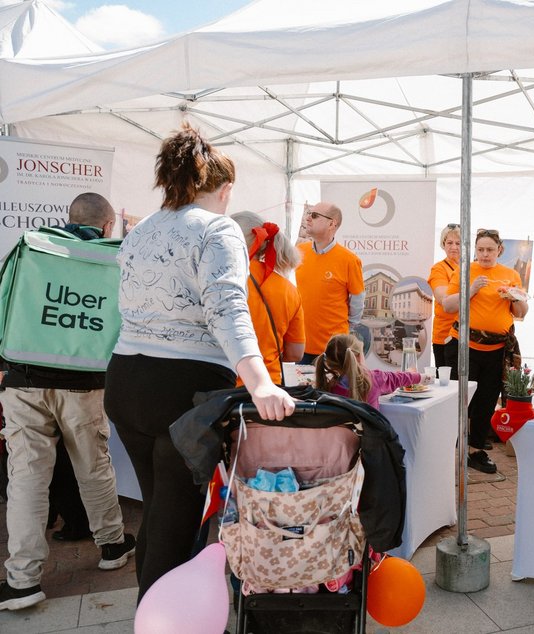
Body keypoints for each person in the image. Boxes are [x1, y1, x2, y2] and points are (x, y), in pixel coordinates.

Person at [104, 124, 295, 602]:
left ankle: (157, 609)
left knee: (160, 510)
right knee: (175, 520)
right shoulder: (218, 228)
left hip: (127, 379)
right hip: (182, 391)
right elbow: (227, 307)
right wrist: (261, 383)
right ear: (225, 188)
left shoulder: (143, 227)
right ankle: (162, 619)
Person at [0, 193, 134, 612]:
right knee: (93, 468)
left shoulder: (34, 247)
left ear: (69, 218)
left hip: (24, 379)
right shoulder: (116, 259)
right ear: (108, 226)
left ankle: (22, 581)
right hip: (86, 383)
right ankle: (112, 547)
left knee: (26, 479)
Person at [442, 228, 528, 474]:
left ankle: (475, 451)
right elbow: (448, 306)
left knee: (486, 402)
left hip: (497, 349)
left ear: (499, 250)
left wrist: (514, 297)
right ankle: (451, 450)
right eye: (480, 249)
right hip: (465, 346)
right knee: (461, 401)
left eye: (490, 249)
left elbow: (521, 313)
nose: (485, 254)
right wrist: (471, 290)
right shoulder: (465, 271)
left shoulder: (509, 275)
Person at [230, 211, 306, 384]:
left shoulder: (224, 282)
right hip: (270, 387)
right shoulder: (289, 290)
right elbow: (295, 353)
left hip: (227, 386)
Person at [296, 202, 365, 363]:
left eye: (314, 215)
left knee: (331, 389)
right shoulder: (300, 252)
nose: (308, 218)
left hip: (333, 350)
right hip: (301, 347)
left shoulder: (349, 260)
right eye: (308, 214)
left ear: (332, 223)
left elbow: (357, 300)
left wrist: (346, 333)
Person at [314, 333, 429, 409]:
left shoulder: (326, 388)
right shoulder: (374, 379)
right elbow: (397, 379)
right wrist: (421, 377)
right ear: (359, 357)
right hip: (370, 442)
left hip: (340, 442)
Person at [428, 223, 462, 368]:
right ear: (443, 244)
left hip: (467, 336)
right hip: (445, 336)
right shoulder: (439, 269)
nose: (454, 247)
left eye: (458, 243)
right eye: (449, 242)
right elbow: (443, 298)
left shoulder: (471, 268)